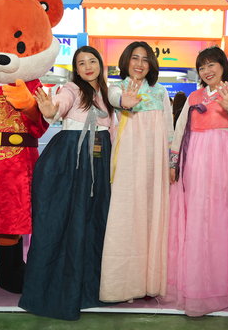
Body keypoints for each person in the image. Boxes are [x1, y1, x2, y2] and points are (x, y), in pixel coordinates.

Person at [18, 46, 115, 321]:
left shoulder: (108, 95)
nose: (88, 66)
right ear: (76, 69)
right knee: (65, 222)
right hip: (70, 162)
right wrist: (52, 108)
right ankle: (57, 290)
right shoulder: (72, 88)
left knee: (94, 223)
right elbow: (60, 103)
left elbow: (114, 131)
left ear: (100, 65)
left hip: (99, 162)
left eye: (92, 61)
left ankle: (91, 290)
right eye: (81, 63)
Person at [166, 46, 228, 316]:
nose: (206, 71)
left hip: (222, 163)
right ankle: (195, 286)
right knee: (196, 218)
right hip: (193, 161)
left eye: (211, 65)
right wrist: (173, 162)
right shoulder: (194, 96)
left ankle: (226, 287)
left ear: (222, 67)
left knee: (223, 219)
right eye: (202, 67)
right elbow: (180, 130)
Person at [99, 41, 174, 303]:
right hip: (128, 158)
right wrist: (124, 101)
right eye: (135, 58)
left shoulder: (160, 91)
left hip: (155, 162)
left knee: (153, 213)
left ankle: (150, 282)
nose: (140, 63)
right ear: (126, 61)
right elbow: (114, 99)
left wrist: (171, 163)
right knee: (126, 214)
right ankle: (123, 285)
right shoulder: (117, 87)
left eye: (145, 59)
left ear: (151, 64)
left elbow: (169, 130)